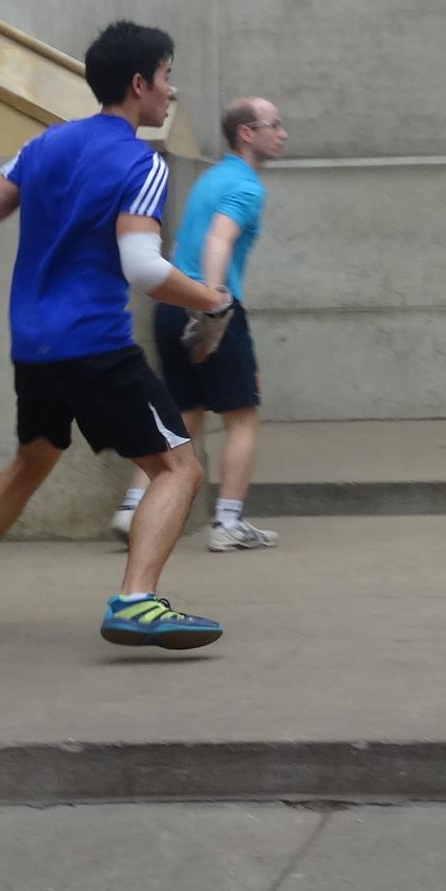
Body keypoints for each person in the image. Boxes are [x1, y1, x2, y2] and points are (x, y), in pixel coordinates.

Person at [0, 19, 240, 649]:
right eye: (167, 79)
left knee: (32, 460)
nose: (172, 93)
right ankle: (137, 602)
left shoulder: (44, 145)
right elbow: (144, 269)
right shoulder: (139, 162)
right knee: (179, 468)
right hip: (95, 347)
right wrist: (213, 301)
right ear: (139, 83)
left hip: (34, 347)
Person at [123, 96, 290, 552]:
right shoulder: (247, 188)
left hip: (170, 305)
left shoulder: (210, 178)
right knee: (242, 416)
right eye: (274, 125)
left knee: (182, 415)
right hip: (209, 305)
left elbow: (186, 242)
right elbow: (219, 240)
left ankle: (134, 506)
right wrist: (213, 308)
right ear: (246, 134)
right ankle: (228, 524)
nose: (283, 133)